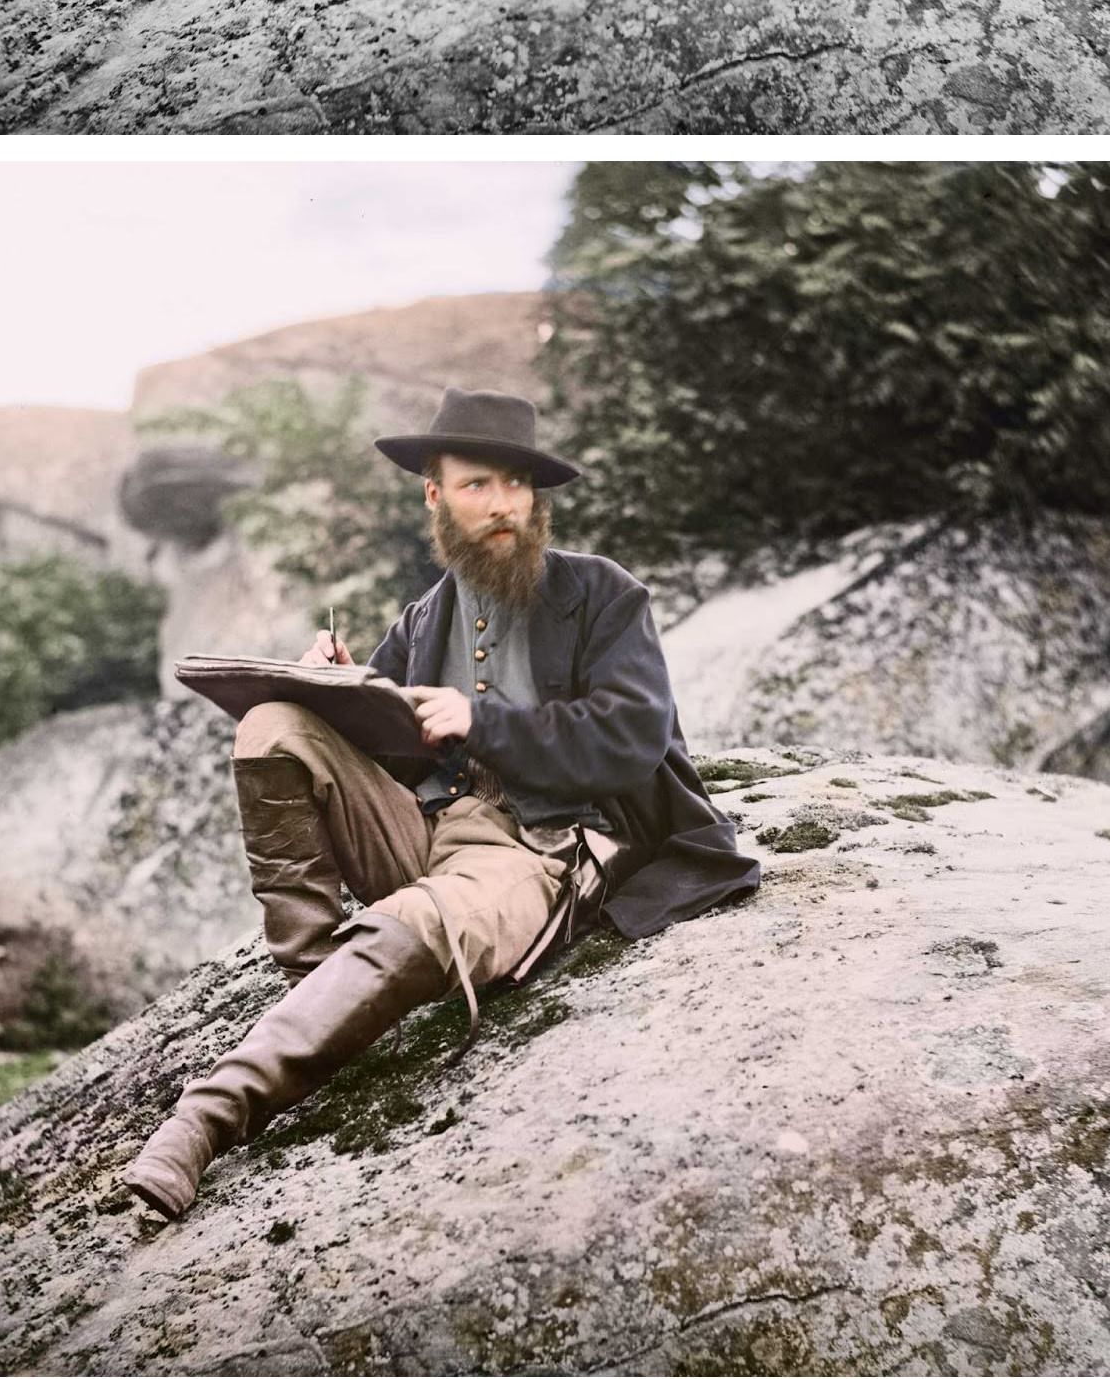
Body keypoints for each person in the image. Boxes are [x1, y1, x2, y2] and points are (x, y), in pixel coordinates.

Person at [121, 386, 761, 1221]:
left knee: (415, 921)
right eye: (477, 485)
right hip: (425, 832)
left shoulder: (601, 594)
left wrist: (483, 720)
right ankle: (317, 980)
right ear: (435, 495)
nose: (502, 506)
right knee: (275, 723)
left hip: (537, 848)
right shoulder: (425, 617)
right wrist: (337, 680)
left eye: (516, 486)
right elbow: (391, 743)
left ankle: (206, 1117)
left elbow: (632, 737)